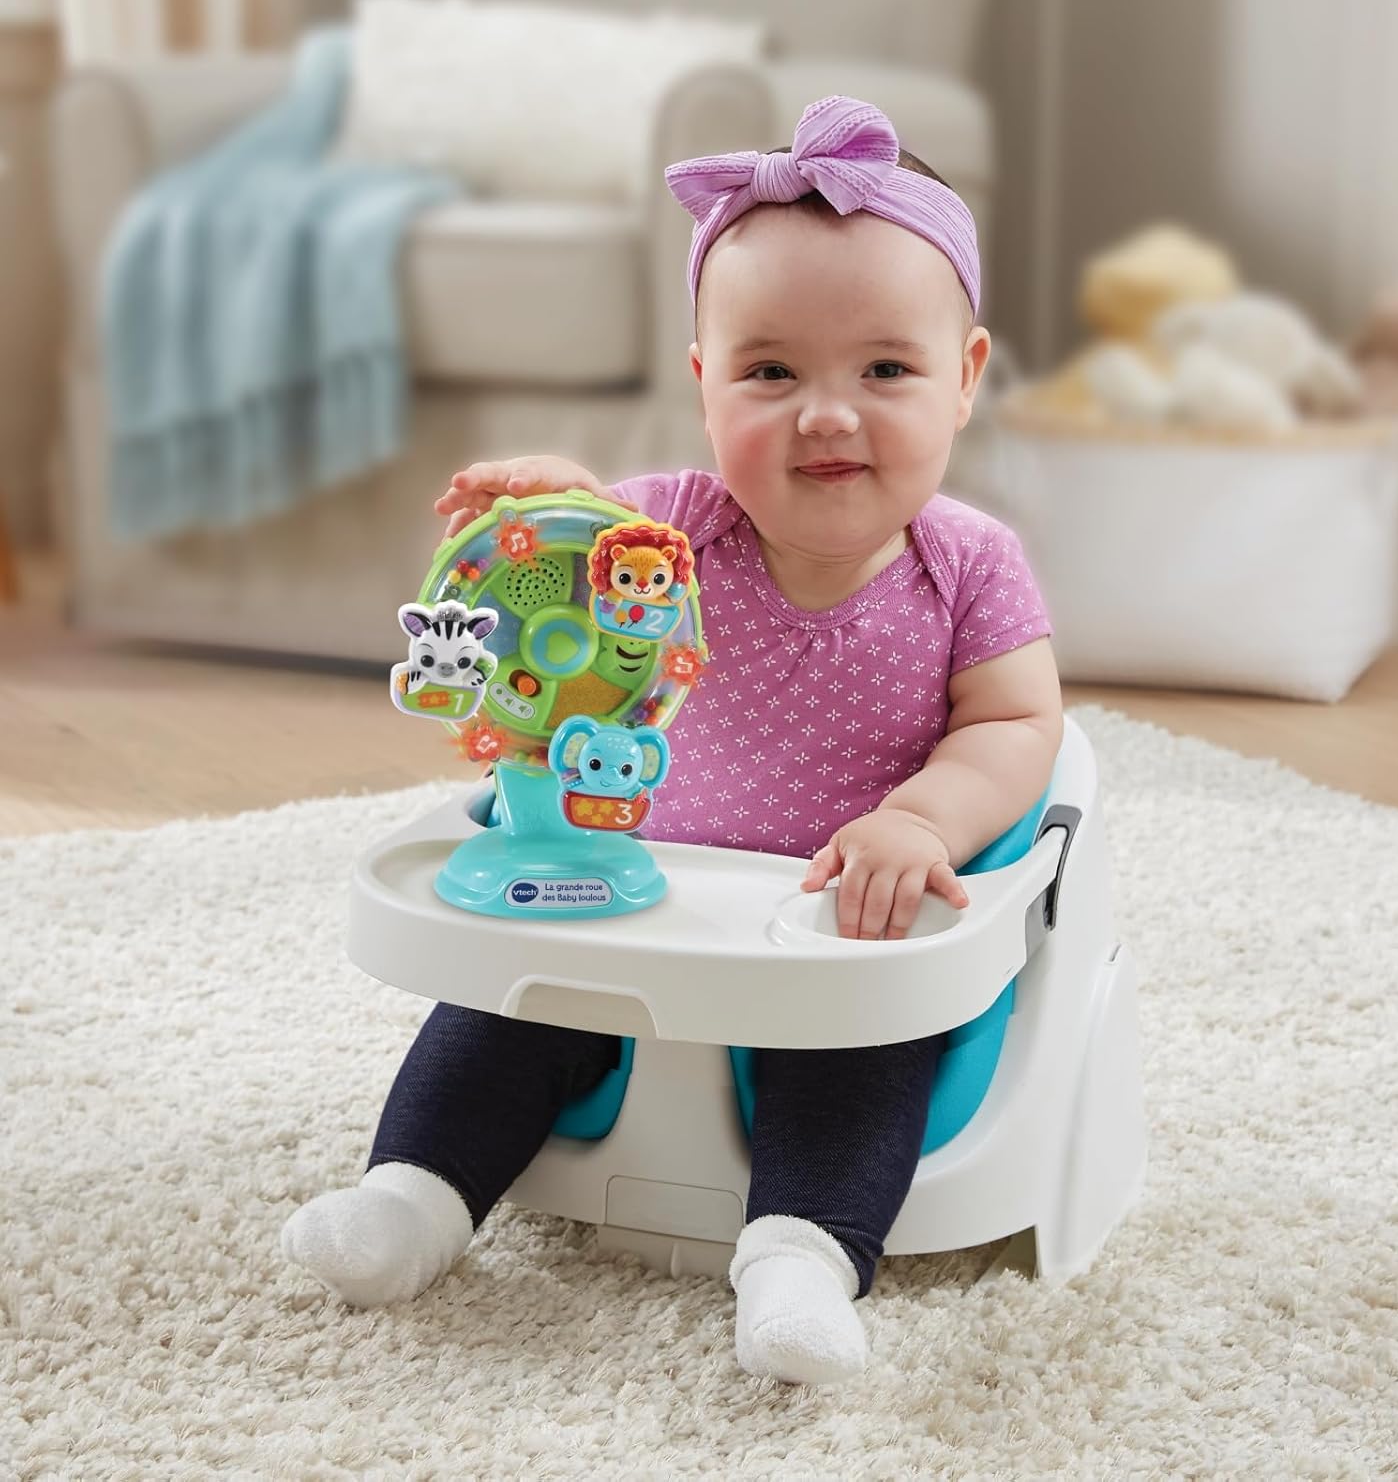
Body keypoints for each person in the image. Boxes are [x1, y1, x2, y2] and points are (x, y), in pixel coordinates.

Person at [284, 96, 1062, 1386]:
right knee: (501, 1009)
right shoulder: (665, 536)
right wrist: (548, 513)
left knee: (866, 1054)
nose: (826, 414)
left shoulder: (969, 565)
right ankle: (411, 1196)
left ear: (966, 376)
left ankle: (801, 1259)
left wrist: (919, 822)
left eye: (885, 370)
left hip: (829, 924)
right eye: (772, 373)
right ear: (705, 385)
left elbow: (1016, 722)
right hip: (625, 893)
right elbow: (580, 551)